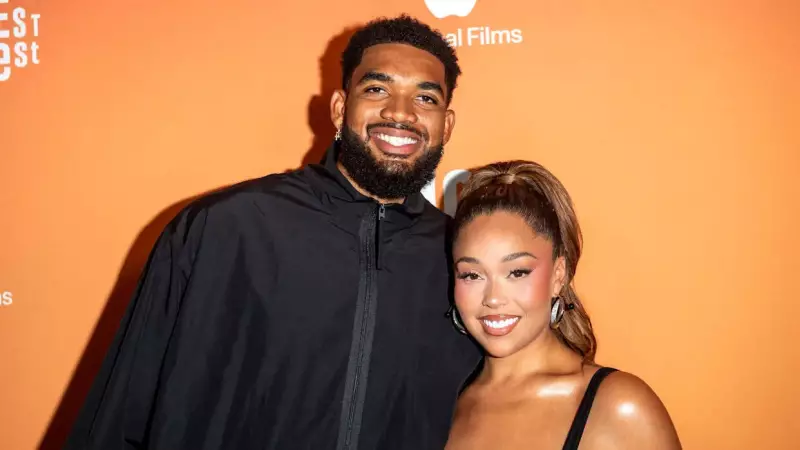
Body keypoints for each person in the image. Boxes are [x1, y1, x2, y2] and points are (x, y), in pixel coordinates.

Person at [65, 15, 480, 450]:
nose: (400, 112)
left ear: (446, 124)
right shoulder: (224, 228)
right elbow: (121, 415)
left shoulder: (464, 262)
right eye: (377, 89)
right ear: (340, 108)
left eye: (425, 98)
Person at [443, 161, 682, 449]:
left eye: (517, 272)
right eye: (472, 275)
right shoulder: (443, 401)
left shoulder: (618, 409)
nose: (493, 298)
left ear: (558, 275)